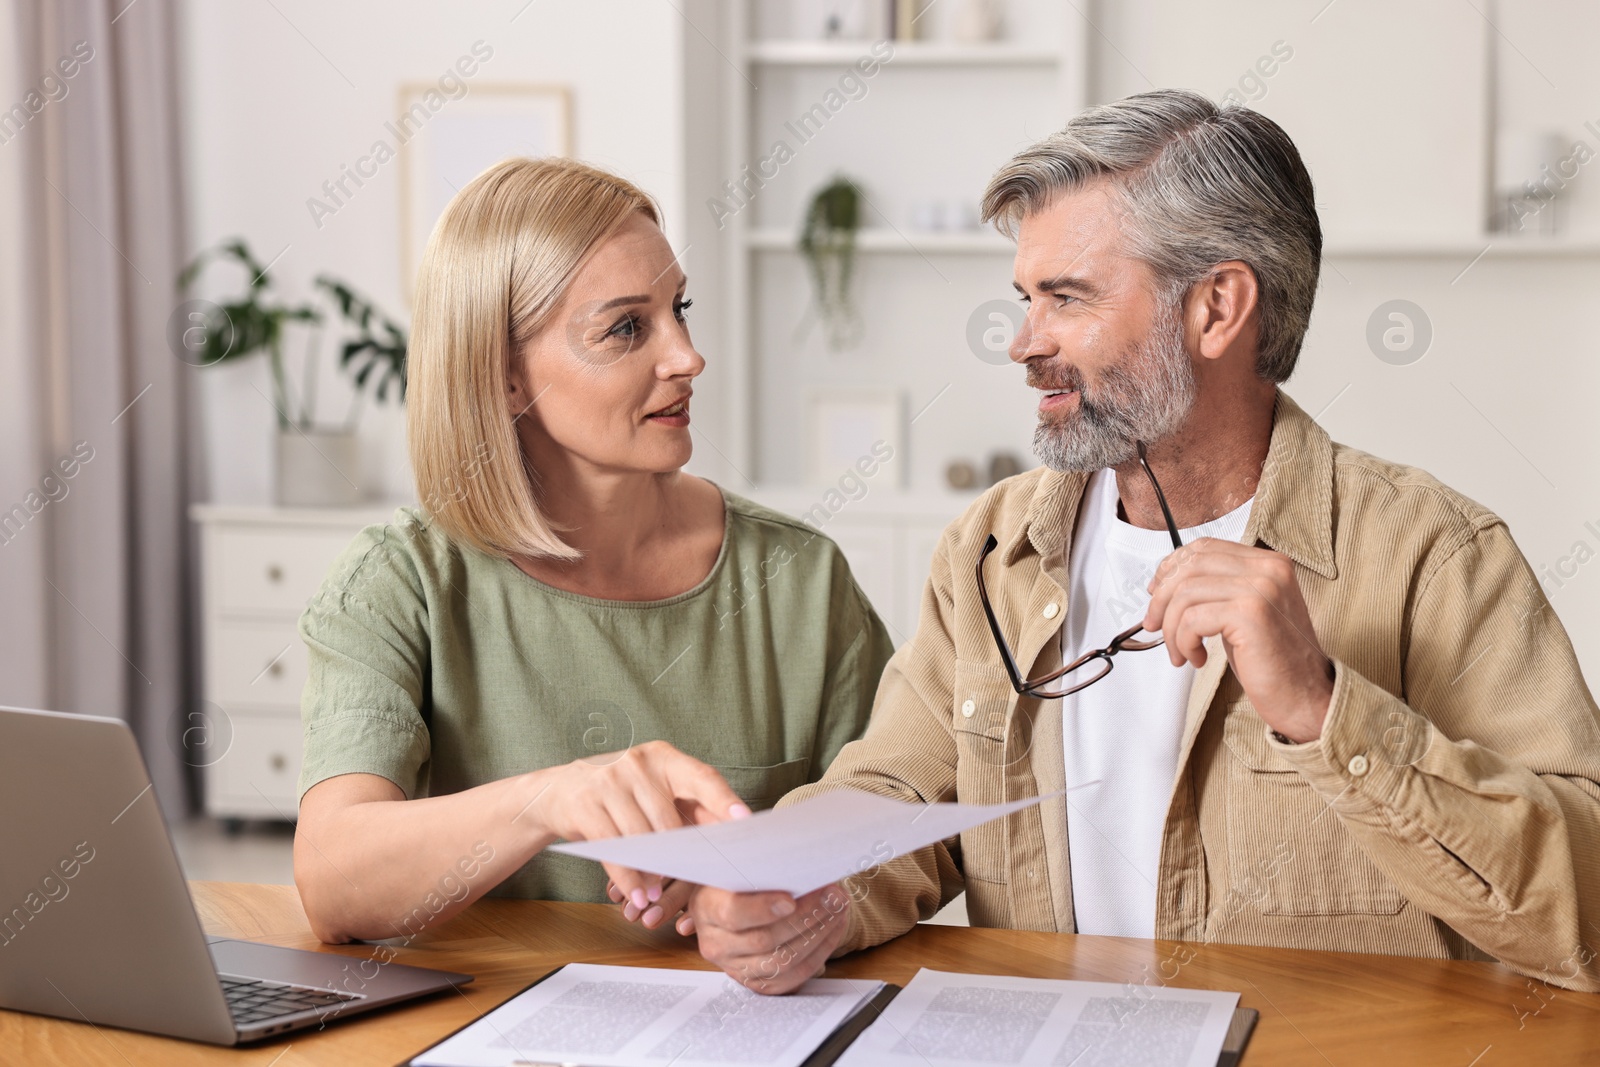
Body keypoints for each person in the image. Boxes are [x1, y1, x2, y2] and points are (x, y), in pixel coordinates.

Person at [689, 89, 1600, 994]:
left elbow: (1582, 914)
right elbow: (896, 796)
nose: (1021, 342)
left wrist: (1324, 710)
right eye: (1023, 298)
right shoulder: (989, 550)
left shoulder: (1436, 555)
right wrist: (794, 889)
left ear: (1216, 308)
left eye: (1067, 298)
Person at [292, 157, 894, 945]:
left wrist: (772, 884)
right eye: (626, 327)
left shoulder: (801, 579)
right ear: (506, 378)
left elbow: (892, 824)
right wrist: (550, 800)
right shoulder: (400, 582)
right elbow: (334, 880)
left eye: (679, 309)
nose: (686, 356)